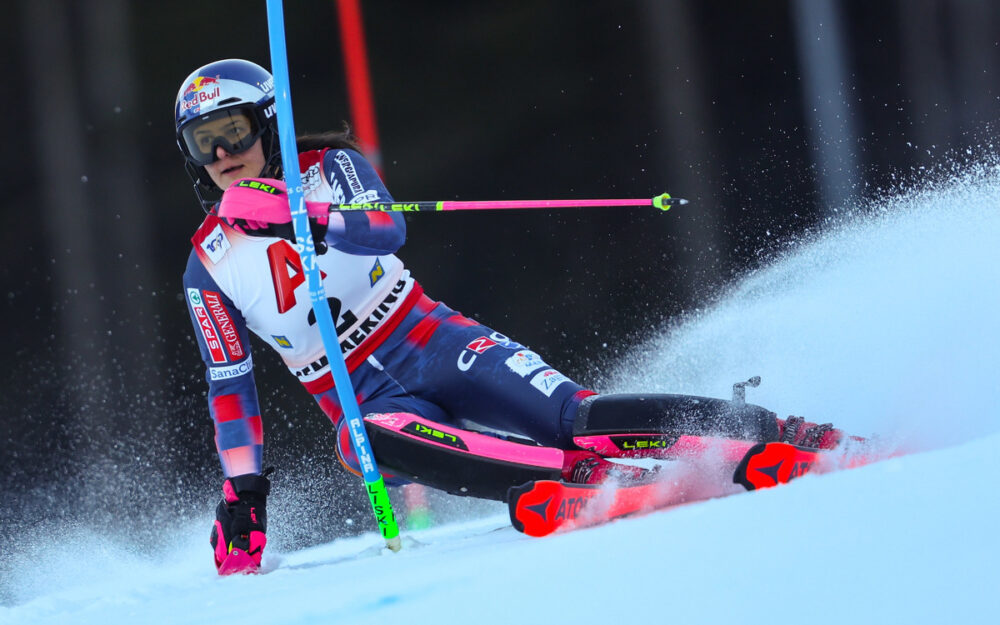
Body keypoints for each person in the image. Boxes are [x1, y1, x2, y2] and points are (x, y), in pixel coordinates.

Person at [176, 59, 850, 575]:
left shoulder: (330, 170)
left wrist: (303, 216)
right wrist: (245, 492)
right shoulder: (207, 265)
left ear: (267, 123)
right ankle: (566, 477)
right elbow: (229, 383)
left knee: (576, 417)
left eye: (232, 131)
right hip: (363, 395)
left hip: (431, 338)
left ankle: (775, 431)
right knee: (360, 441)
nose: (222, 155)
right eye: (204, 143)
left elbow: (384, 229)